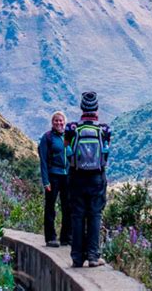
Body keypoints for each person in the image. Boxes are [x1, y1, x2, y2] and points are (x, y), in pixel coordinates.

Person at [65, 91, 111, 267]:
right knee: (95, 215)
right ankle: (93, 256)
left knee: (77, 216)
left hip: (76, 177)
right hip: (96, 178)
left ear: (81, 108)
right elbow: (106, 151)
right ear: (97, 108)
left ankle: (77, 257)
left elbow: (67, 148)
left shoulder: (71, 128)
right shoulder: (105, 129)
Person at [38, 110, 72, 247]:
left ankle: (66, 238)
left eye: (61, 120)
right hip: (53, 176)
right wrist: (46, 181)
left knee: (68, 207)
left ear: (65, 122)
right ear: (52, 123)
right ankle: (51, 237)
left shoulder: (68, 137)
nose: (59, 123)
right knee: (50, 207)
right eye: (56, 120)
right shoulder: (47, 138)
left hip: (67, 177)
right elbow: (43, 161)